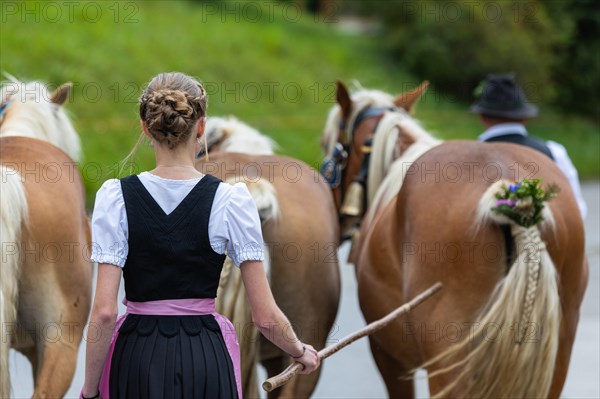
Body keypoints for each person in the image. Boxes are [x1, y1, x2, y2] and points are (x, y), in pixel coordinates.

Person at [81, 72, 319, 399]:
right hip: (205, 357)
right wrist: (298, 350)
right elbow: (265, 316)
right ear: (202, 127)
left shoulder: (115, 198)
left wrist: (89, 390)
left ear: (145, 127)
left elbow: (105, 313)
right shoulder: (232, 200)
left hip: (136, 356)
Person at [471, 73, 587, 218]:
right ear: (523, 116)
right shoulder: (553, 152)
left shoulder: (465, 157)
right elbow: (577, 211)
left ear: (482, 116)